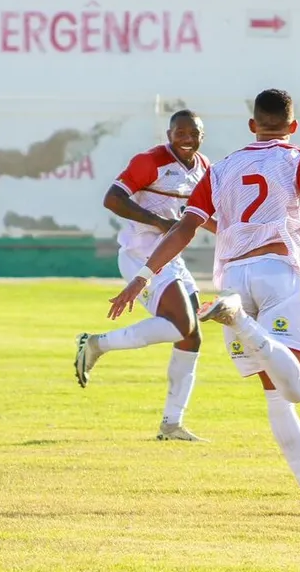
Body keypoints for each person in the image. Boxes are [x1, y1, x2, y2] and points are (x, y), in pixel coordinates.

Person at [107, 88, 300, 516]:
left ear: (252, 125)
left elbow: (185, 229)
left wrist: (143, 275)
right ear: (292, 126)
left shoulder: (219, 168)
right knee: (296, 390)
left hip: (234, 278)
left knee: (277, 397)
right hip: (277, 273)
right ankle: (241, 322)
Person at [74, 110, 213, 442]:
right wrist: (158, 222)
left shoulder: (205, 168)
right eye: (180, 132)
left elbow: (201, 215)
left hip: (171, 254)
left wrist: (235, 236)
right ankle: (96, 344)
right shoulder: (149, 161)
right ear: (169, 134)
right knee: (183, 324)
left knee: (191, 337)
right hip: (139, 252)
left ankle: (172, 424)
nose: (186, 138)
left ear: (201, 136)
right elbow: (112, 199)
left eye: (192, 132)